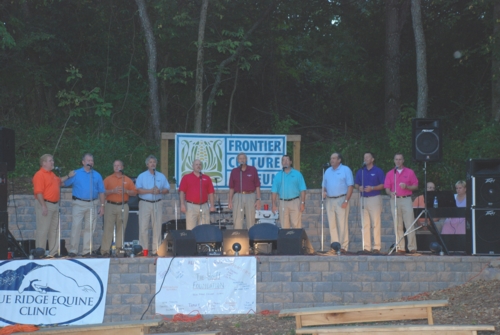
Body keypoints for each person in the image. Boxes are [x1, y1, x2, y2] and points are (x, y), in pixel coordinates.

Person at [33, 154, 75, 257]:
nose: (53, 162)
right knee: (43, 229)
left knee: (54, 230)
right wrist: (43, 206)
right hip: (45, 203)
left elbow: (59, 181)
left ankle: (53, 252)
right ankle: (40, 252)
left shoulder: (52, 174)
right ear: (44, 163)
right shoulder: (39, 175)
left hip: (55, 205)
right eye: (50, 161)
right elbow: (38, 192)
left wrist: (69, 176)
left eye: (52, 160)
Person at [64, 153, 105, 257]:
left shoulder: (97, 175)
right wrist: (68, 176)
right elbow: (64, 183)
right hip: (78, 203)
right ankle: (73, 250)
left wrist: (102, 206)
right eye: (88, 160)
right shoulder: (76, 173)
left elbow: (101, 192)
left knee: (90, 228)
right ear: (83, 162)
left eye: (92, 160)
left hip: (92, 204)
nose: (90, 162)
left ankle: (86, 251)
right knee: (76, 226)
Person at [100, 160, 137, 256]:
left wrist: (126, 191)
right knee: (108, 228)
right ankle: (105, 251)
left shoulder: (127, 179)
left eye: (118, 165)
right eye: (115, 165)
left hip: (123, 205)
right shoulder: (108, 179)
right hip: (110, 205)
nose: (116, 167)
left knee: (121, 228)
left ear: (122, 167)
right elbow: (102, 192)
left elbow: (135, 192)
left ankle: (119, 250)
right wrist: (113, 191)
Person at [384, 153, 419, 254]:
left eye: (400, 159)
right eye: (396, 159)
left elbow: (415, 186)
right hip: (394, 200)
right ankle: (400, 247)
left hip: (406, 199)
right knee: (397, 224)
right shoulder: (390, 173)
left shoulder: (409, 172)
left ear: (403, 160)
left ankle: (412, 247)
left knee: (409, 223)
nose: (398, 161)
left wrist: (407, 187)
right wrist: (390, 193)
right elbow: (386, 188)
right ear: (394, 161)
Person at [136, 155, 170, 256]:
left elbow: (167, 189)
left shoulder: (161, 176)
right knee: (143, 227)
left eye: (154, 162)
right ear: (147, 164)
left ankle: (156, 250)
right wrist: (150, 191)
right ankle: (144, 250)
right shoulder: (142, 176)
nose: (152, 164)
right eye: (150, 162)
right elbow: (138, 190)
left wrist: (160, 191)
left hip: (157, 203)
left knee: (157, 227)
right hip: (145, 203)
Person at [354, 152, 385, 253]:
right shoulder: (361, 171)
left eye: (368, 157)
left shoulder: (378, 171)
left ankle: (376, 247)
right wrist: (359, 187)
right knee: (365, 224)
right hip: (363, 199)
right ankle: (367, 247)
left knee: (375, 223)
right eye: (364, 157)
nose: (365, 158)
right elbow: (356, 184)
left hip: (374, 198)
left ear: (372, 159)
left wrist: (373, 188)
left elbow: (383, 185)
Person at [323, 152, 354, 252]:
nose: (332, 160)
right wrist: (323, 191)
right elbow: (324, 185)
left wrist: (346, 200)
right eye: (331, 158)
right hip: (329, 200)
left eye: (334, 158)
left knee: (342, 224)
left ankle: (343, 247)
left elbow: (350, 186)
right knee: (332, 224)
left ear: (339, 160)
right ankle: (335, 246)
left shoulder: (345, 169)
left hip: (341, 199)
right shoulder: (327, 171)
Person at [228, 153, 262, 230]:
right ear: (237, 160)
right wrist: (230, 201)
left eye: (243, 158)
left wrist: (258, 199)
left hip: (250, 196)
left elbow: (257, 185)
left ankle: (251, 239)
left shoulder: (252, 169)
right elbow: (231, 188)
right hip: (237, 196)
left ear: (246, 160)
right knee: (237, 221)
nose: (242, 160)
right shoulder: (234, 171)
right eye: (240, 158)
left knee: (251, 220)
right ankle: (238, 239)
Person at [271, 155, 307, 228]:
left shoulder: (297, 174)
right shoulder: (278, 175)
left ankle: (296, 239)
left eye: (287, 160)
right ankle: (286, 239)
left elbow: (302, 189)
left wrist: (302, 203)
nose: (285, 162)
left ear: (290, 162)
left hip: (295, 202)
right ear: (281, 162)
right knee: (284, 226)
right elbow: (274, 191)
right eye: (283, 160)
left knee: (296, 225)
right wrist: (273, 204)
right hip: (283, 202)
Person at [179, 159, 216, 230]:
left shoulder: (206, 178)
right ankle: (191, 241)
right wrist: (182, 204)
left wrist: (212, 205)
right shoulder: (186, 177)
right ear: (192, 166)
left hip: (204, 205)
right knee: (191, 229)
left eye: (200, 164)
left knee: (205, 229)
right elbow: (182, 192)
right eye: (196, 164)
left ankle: (204, 241)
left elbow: (211, 192)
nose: (198, 166)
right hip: (191, 206)